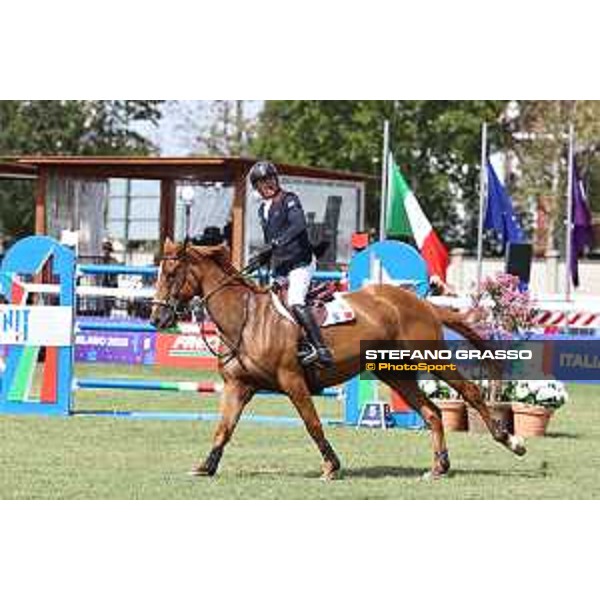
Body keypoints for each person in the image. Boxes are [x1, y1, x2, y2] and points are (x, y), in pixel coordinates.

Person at [249, 161, 334, 367]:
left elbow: (298, 226)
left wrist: (274, 244)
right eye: (262, 182)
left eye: (270, 179)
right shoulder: (262, 210)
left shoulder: (289, 199)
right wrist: (263, 257)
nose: (268, 184)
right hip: (281, 267)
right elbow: (272, 241)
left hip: (301, 262)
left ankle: (321, 349)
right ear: (257, 187)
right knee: (267, 307)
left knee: (295, 301)